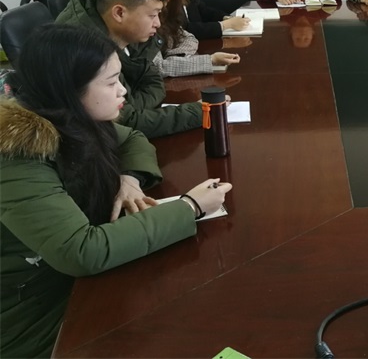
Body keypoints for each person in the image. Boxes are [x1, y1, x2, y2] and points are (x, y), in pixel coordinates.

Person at [0, 24, 232, 358]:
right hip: (37, 311)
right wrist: (189, 207)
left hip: (82, 285)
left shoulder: (72, 117)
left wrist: (129, 177)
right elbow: (82, 251)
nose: (123, 90)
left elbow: (133, 138)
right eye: (111, 83)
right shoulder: (17, 155)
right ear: (68, 89)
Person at [56, 0, 202, 138]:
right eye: (152, 15)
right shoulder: (85, 49)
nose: (158, 23)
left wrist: (132, 107)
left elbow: (154, 81)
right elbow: (126, 121)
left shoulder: (123, 31)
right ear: (119, 13)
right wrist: (199, 111)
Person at [131, 0, 241, 77]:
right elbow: (158, 68)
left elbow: (188, 37)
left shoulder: (165, 10)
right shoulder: (139, 20)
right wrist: (210, 60)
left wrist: (177, 57)